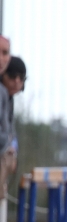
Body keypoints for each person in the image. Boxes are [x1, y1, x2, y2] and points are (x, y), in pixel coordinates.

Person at [0, 55, 23, 200]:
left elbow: (11, 130)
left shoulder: (9, 97)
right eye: (13, 76)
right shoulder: (1, 92)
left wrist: (13, 147)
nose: (17, 81)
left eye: (21, 78)